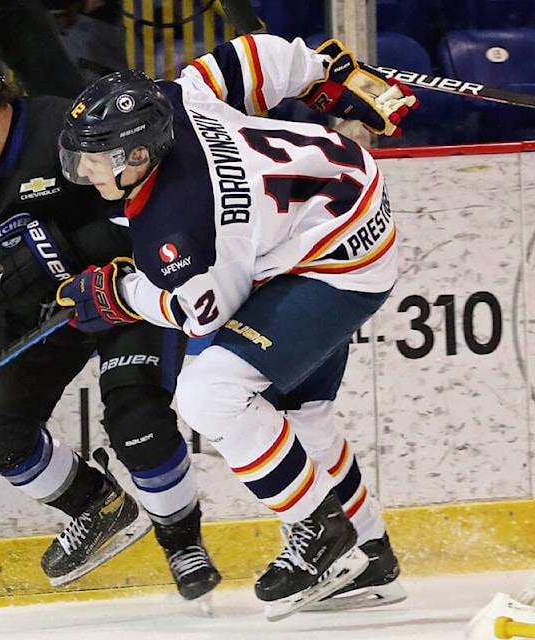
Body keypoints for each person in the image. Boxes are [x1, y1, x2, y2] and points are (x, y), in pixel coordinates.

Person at [54, 34, 416, 620]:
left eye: (98, 159)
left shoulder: (181, 222)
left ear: (140, 156)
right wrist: (325, 73)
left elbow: (202, 313)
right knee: (300, 414)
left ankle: (321, 533)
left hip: (336, 260)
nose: (86, 171)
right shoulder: (171, 100)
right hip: (330, 208)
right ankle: (371, 556)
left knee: (209, 394)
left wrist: (119, 292)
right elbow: (249, 57)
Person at [0, 25, 220, 602]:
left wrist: (55, 245)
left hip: (118, 292)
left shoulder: (71, 127)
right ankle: (96, 505)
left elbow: (144, 207)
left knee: (136, 419)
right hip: (35, 310)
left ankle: (183, 542)